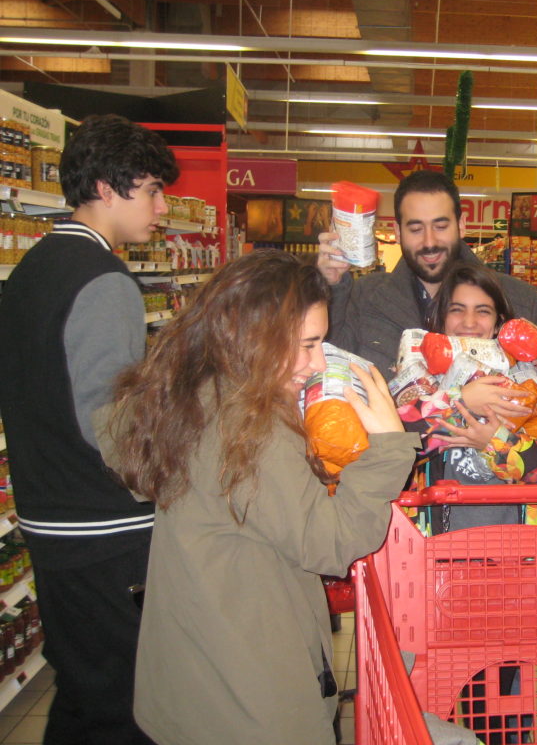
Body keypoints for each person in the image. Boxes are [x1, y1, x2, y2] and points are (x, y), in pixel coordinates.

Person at [95, 250, 420, 744]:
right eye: (305, 344)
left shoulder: (185, 392)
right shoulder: (250, 426)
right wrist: (387, 448)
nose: (315, 363)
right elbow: (330, 544)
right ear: (248, 335)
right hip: (250, 696)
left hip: (192, 675)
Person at [0, 114, 179, 744]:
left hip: (49, 519)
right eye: (152, 190)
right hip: (104, 534)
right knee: (123, 704)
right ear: (106, 187)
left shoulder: (35, 270)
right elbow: (113, 427)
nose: (161, 208)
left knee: (82, 692)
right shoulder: (104, 282)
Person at [316, 170, 537, 387]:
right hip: (395, 447)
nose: (430, 242)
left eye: (440, 227)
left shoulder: (518, 298)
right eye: (416, 229)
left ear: (461, 225)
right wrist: (330, 287)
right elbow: (326, 367)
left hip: (489, 446)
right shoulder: (364, 297)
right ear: (397, 231)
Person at [398, 263, 537, 533]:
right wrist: (459, 402)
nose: (469, 323)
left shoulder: (535, 381)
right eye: (457, 310)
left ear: (498, 323)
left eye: (483, 311)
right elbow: (393, 450)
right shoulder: (417, 382)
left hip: (523, 557)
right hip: (434, 556)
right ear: (440, 319)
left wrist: (500, 444)